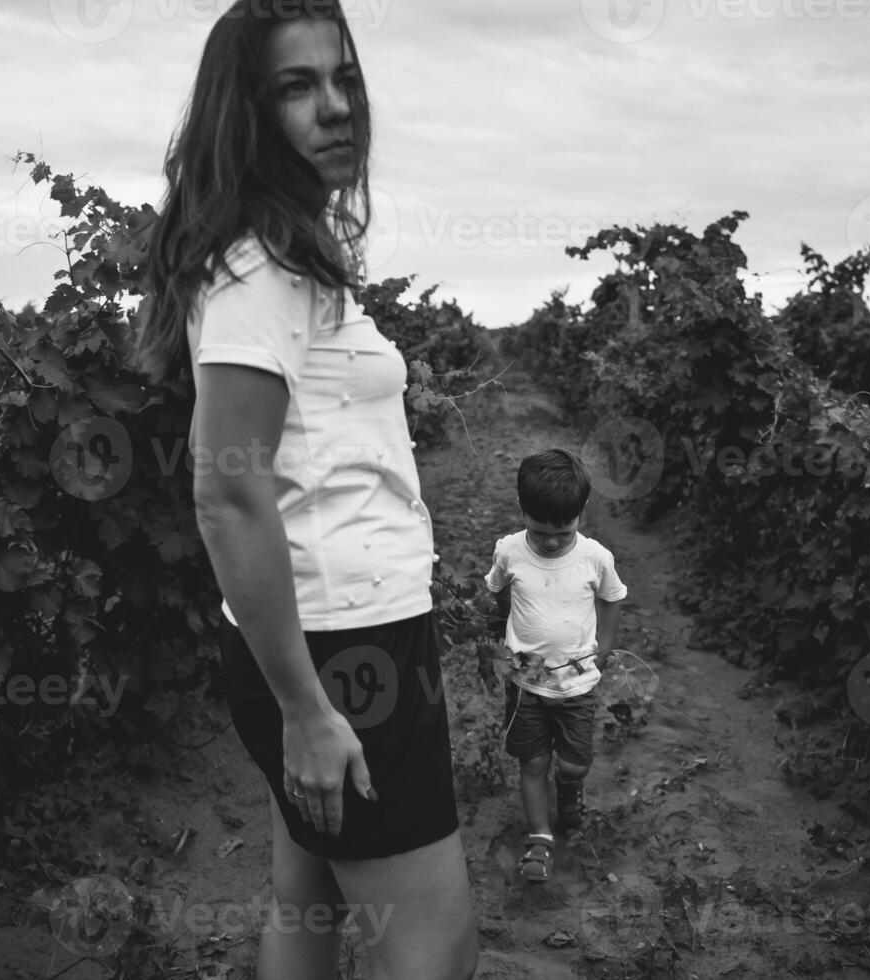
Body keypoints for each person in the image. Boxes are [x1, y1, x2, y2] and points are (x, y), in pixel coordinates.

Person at [132, 3, 479, 978]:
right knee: (434, 950)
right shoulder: (262, 271)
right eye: (297, 86)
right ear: (245, 111)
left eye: (344, 81)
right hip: (342, 654)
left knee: (312, 901)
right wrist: (310, 708)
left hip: (333, 640)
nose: (335, 108)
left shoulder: (284, 254)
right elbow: (227, 491)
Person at [479, 448, 627, 882]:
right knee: (533, 762)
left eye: (562, 533)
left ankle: (570, 788)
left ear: (581, 512)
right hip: (525, 682)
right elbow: (496, 593)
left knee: (574, 762)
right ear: (523, 510)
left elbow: (613, 598)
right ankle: (540, 836)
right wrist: (495, 639)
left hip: (577, 684)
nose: (550, 541)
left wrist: (604, 645)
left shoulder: (595, 557)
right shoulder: (508, 551)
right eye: (540, 530)